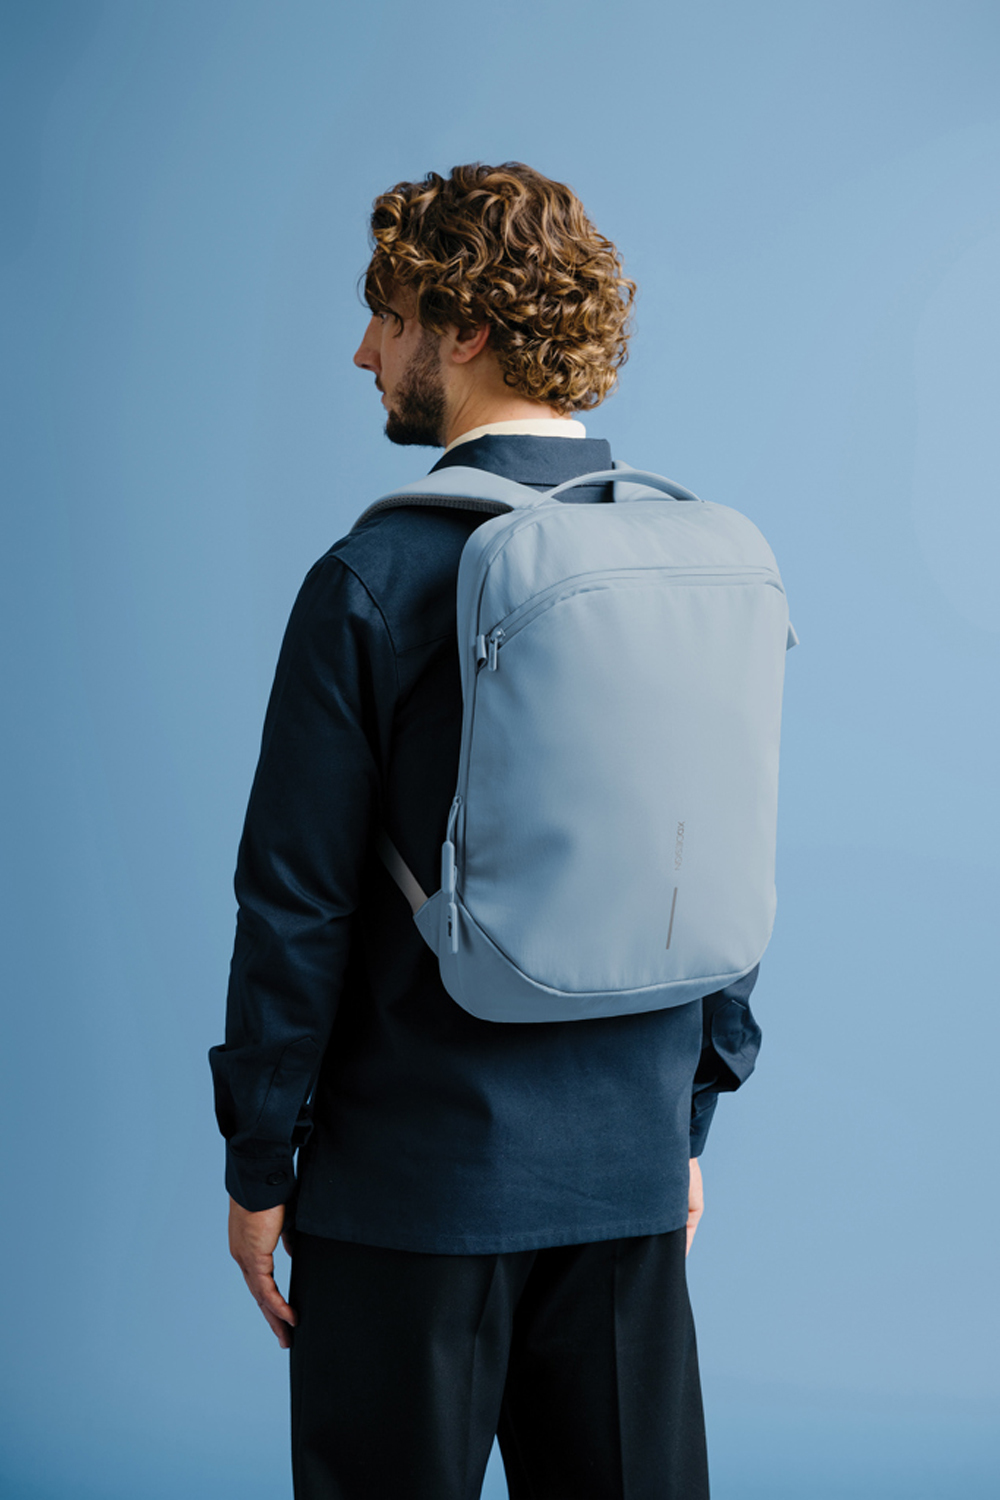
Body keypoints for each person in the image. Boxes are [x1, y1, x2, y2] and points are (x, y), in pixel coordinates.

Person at [209, 161, 762, 1500]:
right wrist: (686, 1122)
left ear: (461, 330)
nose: (364, 351)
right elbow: (719, 858)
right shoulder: (697, 563)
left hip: (413, 1187)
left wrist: (260, 1162)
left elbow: (294, 903)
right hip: (630, 1170)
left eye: (387, 315)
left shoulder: (373, 576)